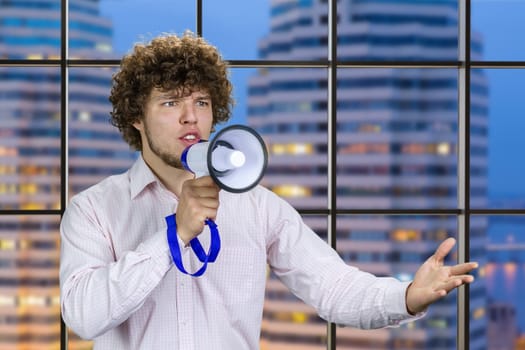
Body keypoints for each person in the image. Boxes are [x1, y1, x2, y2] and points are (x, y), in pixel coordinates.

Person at [59, 31, 478, 350]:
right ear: (136, 116)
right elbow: (83, 316)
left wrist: (406, 296)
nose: (191, 118)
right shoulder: (94, 209)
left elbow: (333, 288)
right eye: (170, 103)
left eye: (201, 102)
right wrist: (175, 235)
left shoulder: (257, 207)